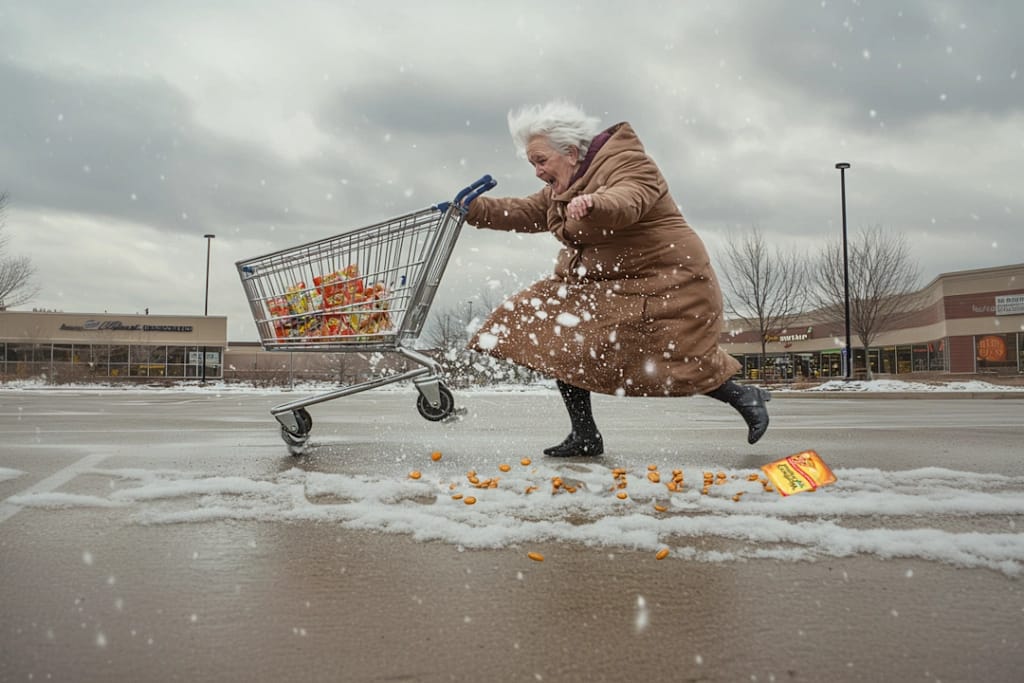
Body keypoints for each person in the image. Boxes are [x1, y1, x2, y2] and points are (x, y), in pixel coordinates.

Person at [462, 100, 769, 457]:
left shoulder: (630, 163)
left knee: (677, 360)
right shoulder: (567, 184)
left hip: (666, 280)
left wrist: (596, 203)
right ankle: (585, 435)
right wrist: (474, 209)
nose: (537, 171)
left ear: (572, 152)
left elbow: (629, 198)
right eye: (533, 163)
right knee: (559, 335)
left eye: (541, 161)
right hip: (607, 282)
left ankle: (744, 396)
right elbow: (530, 211)